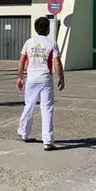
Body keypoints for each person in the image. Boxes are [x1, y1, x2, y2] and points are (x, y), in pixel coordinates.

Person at [16, 17, 65, 151]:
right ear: (48, 28)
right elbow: (57, 63)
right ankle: (48, 141)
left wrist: (20, 78)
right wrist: (61, 77)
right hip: (45, 79)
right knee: (47, 108)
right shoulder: (51, 43)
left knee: (29, 105)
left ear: (36, 28)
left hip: (31, 79)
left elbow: (21, 61)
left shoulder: (29, 42)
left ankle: (24, 132)